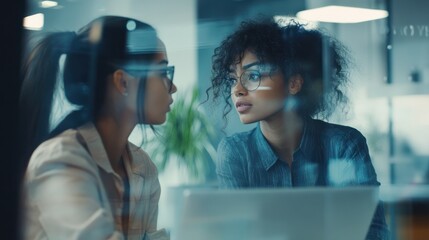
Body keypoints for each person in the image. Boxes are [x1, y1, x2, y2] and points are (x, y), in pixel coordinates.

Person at [206, 18, 389, 239]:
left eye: (253, 76)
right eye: (233, 80)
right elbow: (236, 235)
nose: (237, 90)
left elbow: (373, 230)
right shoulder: (235, 152)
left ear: (293, 83)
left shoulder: (344, 144)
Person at [19, 15, 176, 240]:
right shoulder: (60, 158)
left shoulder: (143, 167)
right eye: (162, 72)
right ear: (123, 82)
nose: (173, 87)